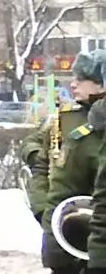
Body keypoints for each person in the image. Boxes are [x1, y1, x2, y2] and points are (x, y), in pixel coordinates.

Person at [39, 52, 106, 273]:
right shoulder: (79, 133)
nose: (73, 84)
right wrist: (54, 242)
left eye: (81, 78)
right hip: (88, 247)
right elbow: (61, 192)